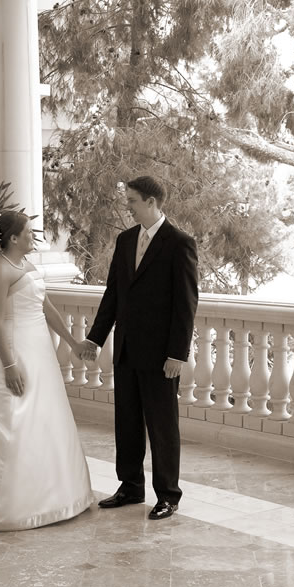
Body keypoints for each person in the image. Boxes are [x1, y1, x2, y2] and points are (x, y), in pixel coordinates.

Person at [0, 211, 93, 531]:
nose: (32, 236)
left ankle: (55, 495)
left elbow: (46, 308)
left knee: (44, 417)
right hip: (15, 350)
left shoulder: (28, 266)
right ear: (12, 238)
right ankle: (5, 503)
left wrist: (73, 343)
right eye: (28, 232)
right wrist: (9, 365)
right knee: (13, 418)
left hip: (40, 351)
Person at [81, 176, 198, 520]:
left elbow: (186, 303)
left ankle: (168, 495)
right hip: (126, 350)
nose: (127, 206)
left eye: (132, 200)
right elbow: (113, 294)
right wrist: (95, 338)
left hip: (161, 355)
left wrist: (177, 354)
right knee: (127, 422)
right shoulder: (125, 239)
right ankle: (130, 487)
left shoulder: (180, 243)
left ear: (151, 202)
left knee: (162, 427)